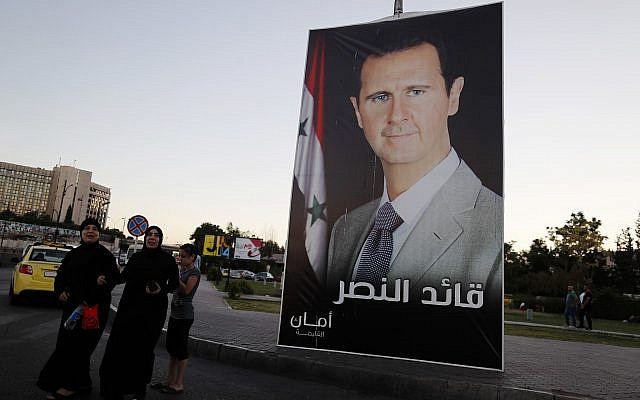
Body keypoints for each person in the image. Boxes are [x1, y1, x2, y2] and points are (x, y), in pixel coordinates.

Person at [324, 31, 503, 369]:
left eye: (416, 92)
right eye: (379, 97)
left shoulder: (493, 227)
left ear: (453, 96)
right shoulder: (346, 229)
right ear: (357, 111)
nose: (396, 115)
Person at [37, 218, 119, 399]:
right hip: (72, 309)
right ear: (81, 233)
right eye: (87, 228)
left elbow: (112, 278)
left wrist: (97, 287)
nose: (90, 231)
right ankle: (82, 384)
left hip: (93, 309)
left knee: (82, 347)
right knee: (66, 345)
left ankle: (70, 386)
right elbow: (61, 276)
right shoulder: (73, 254)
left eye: (94, 229)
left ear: (99, 234)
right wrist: (60, 291)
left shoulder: (105, 256)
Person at [99, 226, 179, 400]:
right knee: (122, 348)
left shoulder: (167, 260)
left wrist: (160, 289)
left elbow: (173, 284)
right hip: (129, 309)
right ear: (144, 238)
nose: (152, 238)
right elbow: (123, 278)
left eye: (156, 235)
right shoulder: (136, 257)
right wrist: (108, 275)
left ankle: (139, 389)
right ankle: (117, 388)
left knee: (143, 350)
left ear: (160, 239)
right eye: (149, 235)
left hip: (153, 312)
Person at [151, 243, 201, 394]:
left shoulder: (194, 272)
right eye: (179, 255)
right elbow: (174, 288)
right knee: (172, 349)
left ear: (192, 257)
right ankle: (169, 381)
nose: (180, 258)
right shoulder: (183, 270)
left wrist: (175, 276)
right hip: (175, 314)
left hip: (185, 316)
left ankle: (179, 384)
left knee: (181, 351)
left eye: (184, 256)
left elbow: (186, 291)